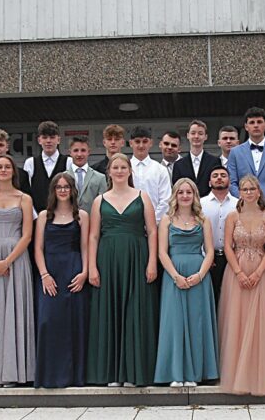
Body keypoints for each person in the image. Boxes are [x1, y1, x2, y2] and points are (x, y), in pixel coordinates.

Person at [86, 153, 159, 387]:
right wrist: (92, 267)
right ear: (109, 172)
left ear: (130, 171)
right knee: (111, 311)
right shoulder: (99, 201)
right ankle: (112, 374)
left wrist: (152, 261)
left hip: (137, 257)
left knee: (134, 311)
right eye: (115, 167)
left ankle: (134, 372)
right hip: (108, 259)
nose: (119, 171)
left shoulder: (142, 196)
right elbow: (93, 236)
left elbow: (152, 231)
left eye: (123, 167)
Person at [0, 154, 36, 386]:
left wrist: (7, 261)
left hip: (16, 259)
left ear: (13, 171)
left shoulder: (24, 198)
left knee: (14, 311)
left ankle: (13, 372)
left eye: (7, 167)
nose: (3, 170)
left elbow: (27, 235)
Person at [219, 175, 265, 396]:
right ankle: (237, 373)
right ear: (240, 192)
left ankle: (258, 372)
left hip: (261, 272)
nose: (248, 192)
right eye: (245, 189)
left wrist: (258, 272)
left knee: (260, 322)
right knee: (238, 320)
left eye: (252, 188)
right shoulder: (232, 217)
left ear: (258, 191)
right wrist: (239, 272)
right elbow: (227, 246)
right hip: (236, 272)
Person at [154, 178, 219, 387]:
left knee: (196, 322)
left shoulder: (203, 220)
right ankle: (175, 373)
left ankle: (194, 374)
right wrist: (175, 276)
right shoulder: (167, 219)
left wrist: (200, 275)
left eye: (188, 192)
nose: (184, 196)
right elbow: (162, 252)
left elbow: (209, 251)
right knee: (174, 322)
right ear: (175, 195)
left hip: (198, 275)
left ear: (194, 195)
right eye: (180, 192)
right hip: (174, 276)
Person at [34, 173, 90, 388]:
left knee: (74, 323)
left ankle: (74, 376)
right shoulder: (44, 216)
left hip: (74, 272)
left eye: (66, 187)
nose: (63, 190)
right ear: (53, 190)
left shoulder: (82, 216)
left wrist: (84, 273)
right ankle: (50, 376)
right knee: (49, 321)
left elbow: (85, 247)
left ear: (72, 190)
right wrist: (44, 275)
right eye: (59, 187)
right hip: (50, 273)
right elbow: (38, 249)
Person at [228, 107, 265, 212]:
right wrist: (245, 203)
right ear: (246, 126)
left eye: (259, 122)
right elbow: (232, 183)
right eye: (252, 122)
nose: (256, 125)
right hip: (243, 210)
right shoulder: (235, 152)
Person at [199, 165, 237, 305]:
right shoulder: (200, 204)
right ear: (209, 182)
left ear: (230, 181)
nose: (219, 178)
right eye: (215, 176)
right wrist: (205, 256)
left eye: (223, 175)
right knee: (210, 299)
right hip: (207, 259)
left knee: (230, 300)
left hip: (232, 259)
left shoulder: (239, 204)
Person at [24, 121, 72, 213]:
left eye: (52, 137)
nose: (48, 141)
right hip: (37, 215)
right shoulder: (30, 163)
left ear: (58, 140)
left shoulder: (69, 162)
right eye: (45, 137)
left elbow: (72, 191)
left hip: (63, 215)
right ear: (39, 140)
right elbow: (26, 193)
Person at [128, 126, 172, 222]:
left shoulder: (160, 170)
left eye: (145, 141)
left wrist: (152, 222)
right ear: (131, 143)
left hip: (156, 224)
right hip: (128, 224)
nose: (141, 145)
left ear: (151, 143)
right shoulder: (124, 169)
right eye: (137, 141)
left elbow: (165, 200)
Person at [172, 120, 220, 197]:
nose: (196, 136)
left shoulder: (215, 162)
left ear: (206, 137)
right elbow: (177, 189)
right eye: (193, 133)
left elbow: (217, 185)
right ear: (188, 135)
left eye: (200, 133)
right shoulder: (178, 165)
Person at [66, 135, 106, 212]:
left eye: (83, 150)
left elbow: (103, 205)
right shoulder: (63, 177)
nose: (79, 154)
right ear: (70, 152)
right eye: (76, 150)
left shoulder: (100, 178)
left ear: (89, 152)